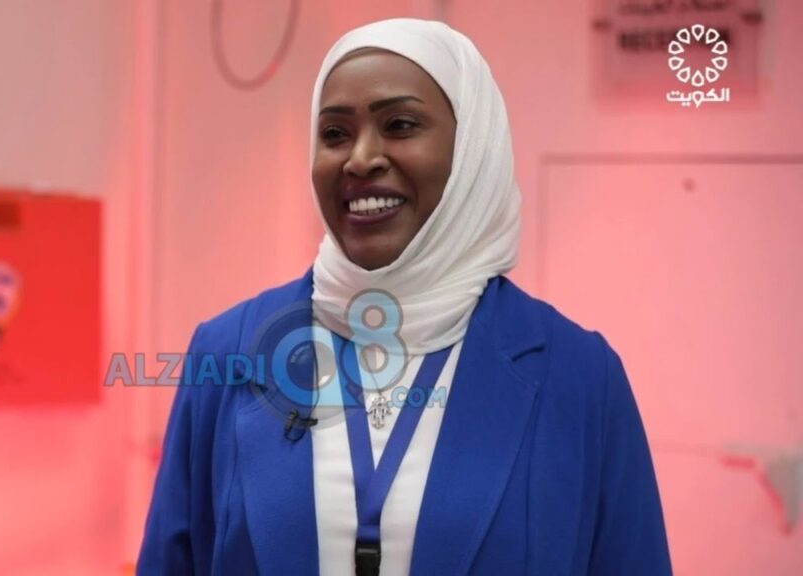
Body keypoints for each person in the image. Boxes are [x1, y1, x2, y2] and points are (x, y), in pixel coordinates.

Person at [137, 18, 671, 576]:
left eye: (400, 124)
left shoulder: (581, 375)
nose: (360, 158)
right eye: (335, 133)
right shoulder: (226, 350)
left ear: (471, 150)